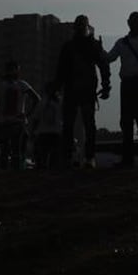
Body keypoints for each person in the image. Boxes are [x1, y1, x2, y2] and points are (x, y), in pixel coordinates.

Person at [105, 12, 138, 168]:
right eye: (134, 21)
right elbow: (109, 58)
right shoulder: (123, 42)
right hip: (131, 83)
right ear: (129, 23)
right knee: (129, 122)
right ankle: (133, 158)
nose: (136, 23)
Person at [56, 15, 111, 168]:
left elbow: (103, 65)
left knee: (86, 125)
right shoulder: (70, 47)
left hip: (85, 90)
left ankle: (88, 157)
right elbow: (61, 70)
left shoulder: (91, 45)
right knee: (71, 125)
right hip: (74, 89)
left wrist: (106, 85)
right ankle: (71, 156)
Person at [0, 60, 40, 169]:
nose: (13, 72)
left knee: (14, 150)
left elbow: (36, 99)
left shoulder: (21, 84)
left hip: (16, 122)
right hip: (6, 122)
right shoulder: (2, 85)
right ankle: (5, 175)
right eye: (11, 69)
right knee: (6, 150)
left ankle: (13, 174)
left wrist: (27, 114)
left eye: (14, 69)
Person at [30, 82, 63, 169]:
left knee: (45, 156)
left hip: (46, 133)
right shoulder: (59, 103)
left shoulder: (43, 102)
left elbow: (35, 119)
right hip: (52, 133)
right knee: (49, 156)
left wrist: (33, 131)